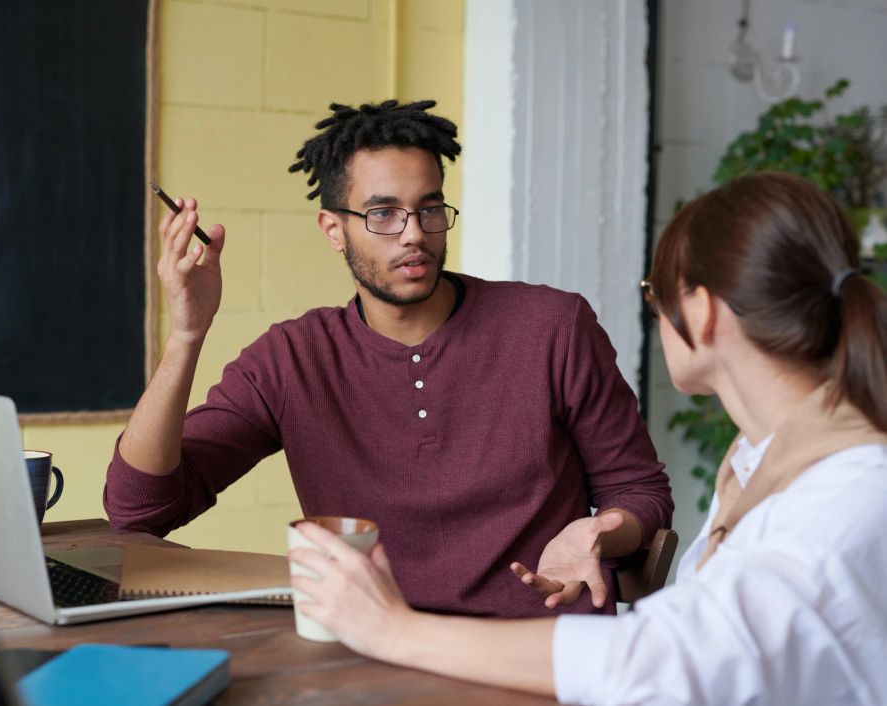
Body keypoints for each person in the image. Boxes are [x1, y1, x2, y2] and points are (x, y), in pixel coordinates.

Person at [288, 172, 887, 705]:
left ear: (701, 313)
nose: (411, 234)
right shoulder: (763, 459)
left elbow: (665, 662)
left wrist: (391, 628)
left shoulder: (842, 499)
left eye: (654, 294)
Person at [104, 100, 673, 618]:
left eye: (429, 210)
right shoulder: (292, 358)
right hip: (373, 651)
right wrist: (186, 335)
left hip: (534, 650)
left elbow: (642, 492)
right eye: (383, 214)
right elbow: (141, 510)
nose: (413, 235)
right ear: (334, 229)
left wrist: (598, 534)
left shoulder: (552, 326)